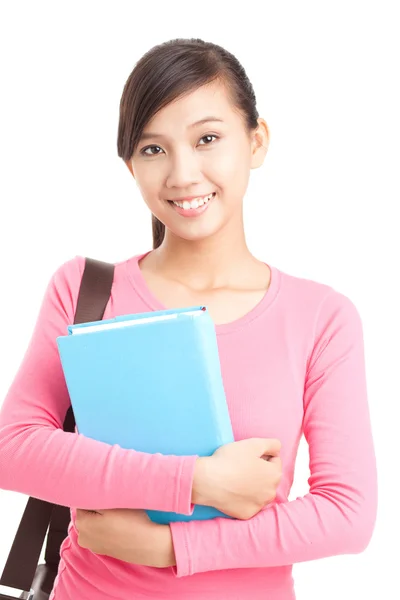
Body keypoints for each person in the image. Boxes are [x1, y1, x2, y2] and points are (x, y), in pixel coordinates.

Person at [0, 38, 377, 600]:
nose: (182, 174)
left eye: (207, 139)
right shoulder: (85, 290)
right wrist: (198, 482)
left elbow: (348, 514)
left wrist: (171, 549)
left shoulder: (321, 317)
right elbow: (14, 448)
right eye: (154, 149)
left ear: (256, 140)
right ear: (129, 163)